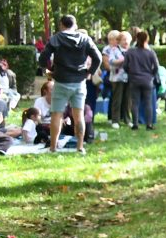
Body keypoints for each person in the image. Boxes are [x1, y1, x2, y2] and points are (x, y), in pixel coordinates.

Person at [38, 14, 103, 154]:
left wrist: (48, 69)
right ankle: (80, 147)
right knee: (79, 115)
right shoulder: (85, 38)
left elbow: (43, 56)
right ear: (75, 25)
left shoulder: (56, 38)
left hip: (61, 81)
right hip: (79, 82)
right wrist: (89, 72)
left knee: (57, 114)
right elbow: (98, 57)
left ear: (61, 24)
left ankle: (53, 147)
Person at [124, 29, 161, 131]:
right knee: (148, 102)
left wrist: (130, 74)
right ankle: (149, 124)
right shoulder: (150, 52)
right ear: (147, 39)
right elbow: (157, 67)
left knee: (135, 102)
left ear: (136, 39)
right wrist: (151, 75)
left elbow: (125, 66)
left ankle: (135, 124)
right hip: (147, 80)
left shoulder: (130, 52)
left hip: (134, 80)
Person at [103, 30, 130, 127]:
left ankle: (127, 119)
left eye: (127, 40)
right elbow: (111, 61)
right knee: (116, 99)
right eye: (123, 40)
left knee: (127, 99)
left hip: (128, 78)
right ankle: (115, 120)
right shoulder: (114, 50)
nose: (125, 42)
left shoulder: (130, 50)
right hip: (117, 77)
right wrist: (122, 61)